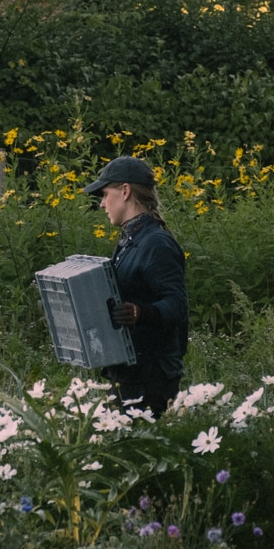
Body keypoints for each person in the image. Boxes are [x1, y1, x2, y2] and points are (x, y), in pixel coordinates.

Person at [83, 155, 188, 415]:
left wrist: (140, 313)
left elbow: (177, 305)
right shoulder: (131, 240)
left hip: (152, 377)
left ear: (125, 191)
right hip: (130, 373)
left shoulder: (156, 243)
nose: (102, 204)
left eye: (105, 194)